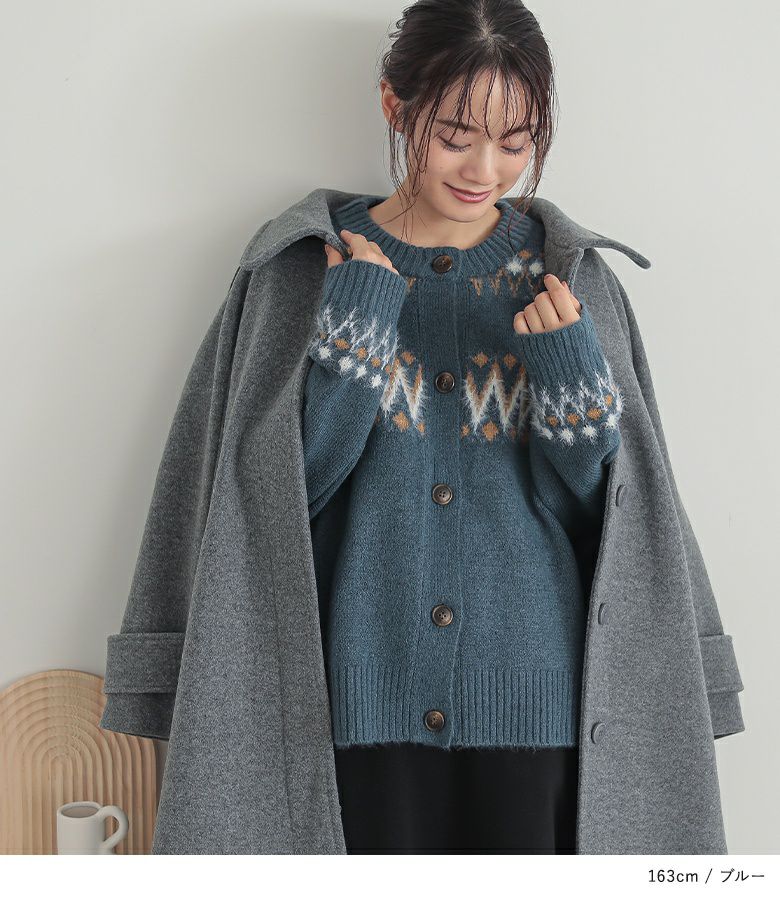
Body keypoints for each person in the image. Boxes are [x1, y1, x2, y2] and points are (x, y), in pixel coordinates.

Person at [302, 0, 614, 853]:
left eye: (516, 143)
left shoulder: (568, 278)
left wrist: (569, 377)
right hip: (358, 705)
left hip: (534, 707)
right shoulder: (313, 267)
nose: (485, 169)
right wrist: (361, 322)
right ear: (394, 105)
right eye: (455, 135)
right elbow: (280, 505)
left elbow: (611, 531)